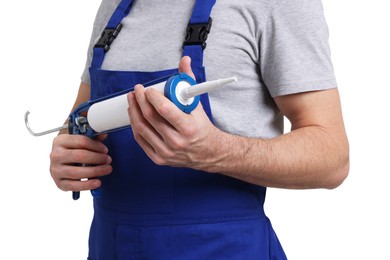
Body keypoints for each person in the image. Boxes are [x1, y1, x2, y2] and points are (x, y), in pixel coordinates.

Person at [49, 0, 349, 259]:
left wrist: (214, 152)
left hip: (222, 249)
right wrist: (68, 152)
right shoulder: (115, 7)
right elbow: (80, 119)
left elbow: (332, 158)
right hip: (110, 246)